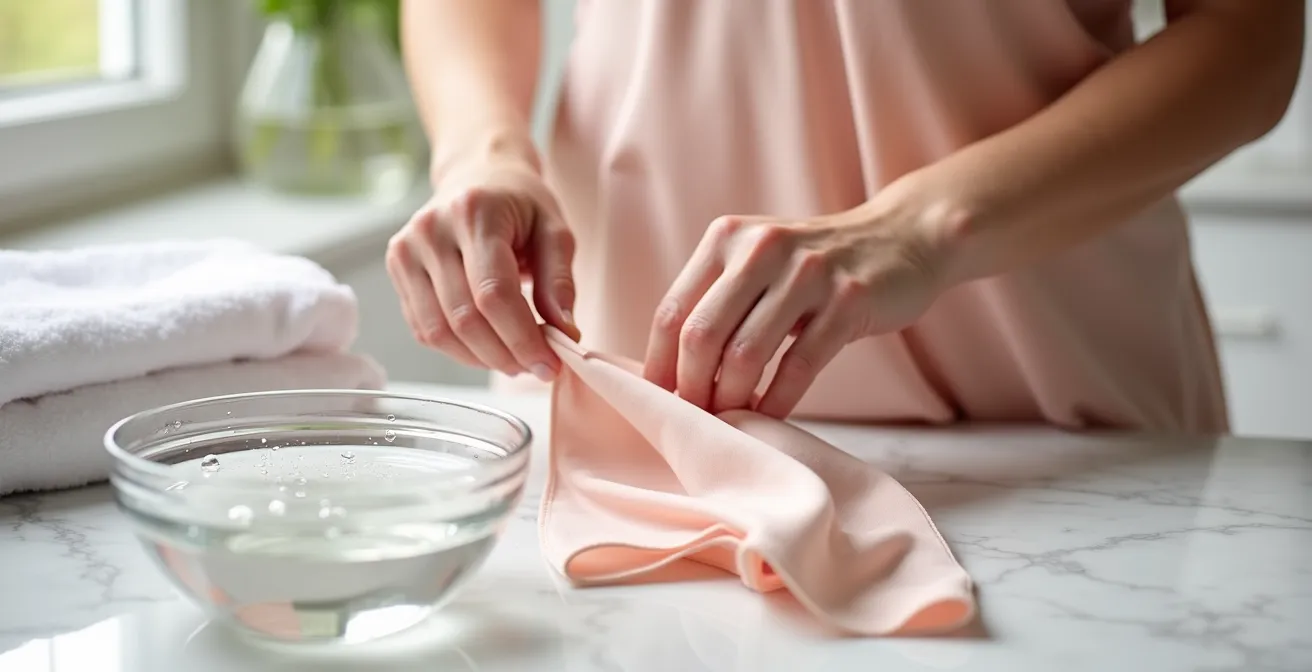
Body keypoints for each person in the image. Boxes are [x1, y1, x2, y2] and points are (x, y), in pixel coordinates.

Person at [388, 0, 1304, 432]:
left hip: (1049, 410)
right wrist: (482, 150)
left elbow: (1251, 41)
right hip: (621, 405)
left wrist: (915, 230)